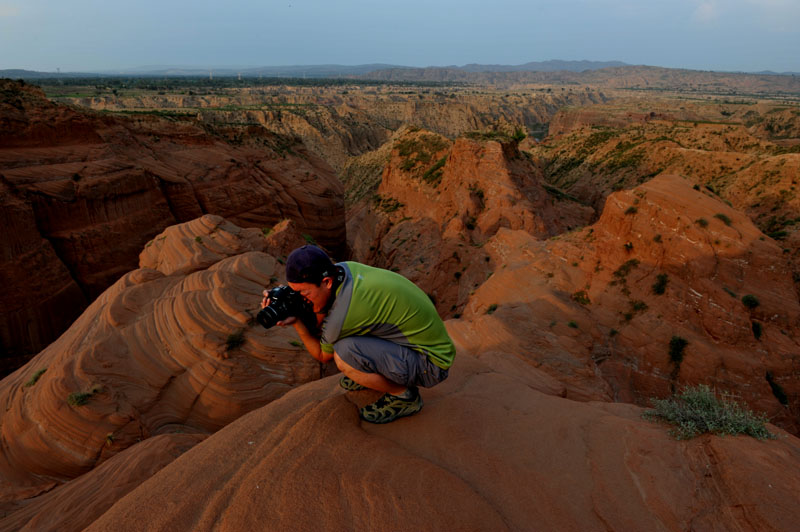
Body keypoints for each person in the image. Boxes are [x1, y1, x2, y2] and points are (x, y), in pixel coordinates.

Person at [261, 245, 455, 424]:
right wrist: (289, 298)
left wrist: (296, 323)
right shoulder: (345, 269)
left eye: (303, 293)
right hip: (422, 342)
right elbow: (323, 309)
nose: (300, 298)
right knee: (348, 339)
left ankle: (404, 397)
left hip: (430, 364)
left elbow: (322, 355)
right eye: (294, 292)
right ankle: (376, 370)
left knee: (343, 355)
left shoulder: (344, 313)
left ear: (326, 282)